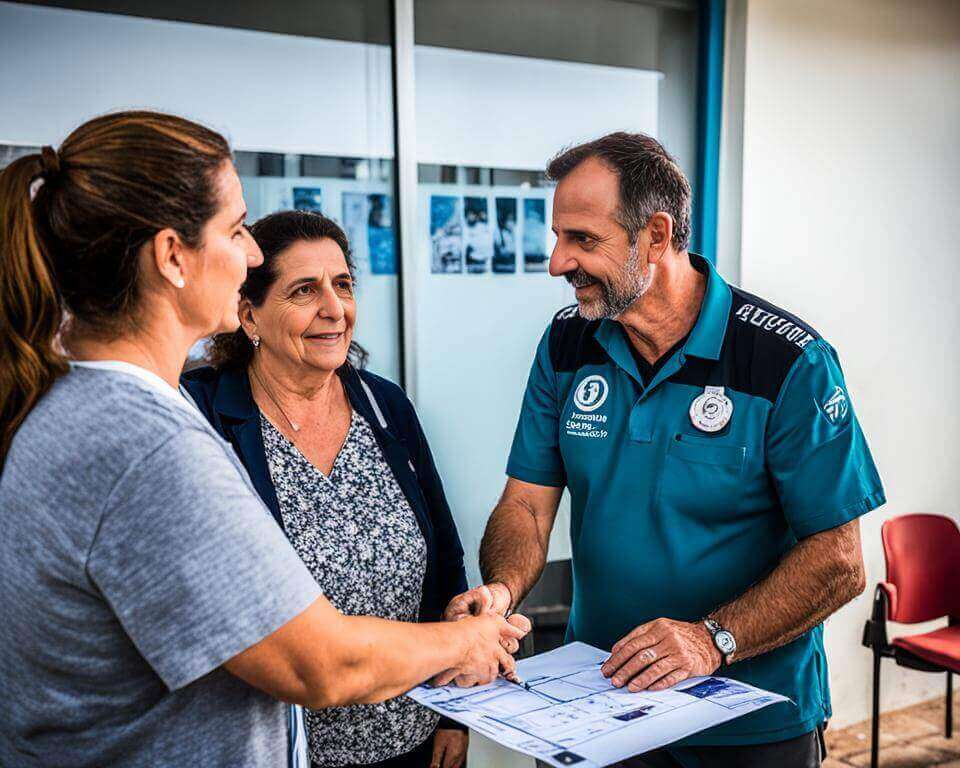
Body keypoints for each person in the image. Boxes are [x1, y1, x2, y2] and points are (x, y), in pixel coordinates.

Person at [0, 110, 526, 768]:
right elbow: (319, 665)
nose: (251, 253)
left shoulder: (70, 399)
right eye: (236, 227)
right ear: (172, 256)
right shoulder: (149, 448)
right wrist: (465, 645)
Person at [445, 132, 886, 767]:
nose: (556, 263)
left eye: (583, 241)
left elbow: (839, 560)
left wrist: (713, 641)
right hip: (596, 704)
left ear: (656, 236)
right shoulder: (569, 344)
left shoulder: (787, 361)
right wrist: (503, 591)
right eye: (558, 238)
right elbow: (527, 506)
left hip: (749, 719)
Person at [182, 210, 477, 768]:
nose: (334, 310)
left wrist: (451, 714)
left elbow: (444, 557)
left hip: (411, 736)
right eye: (304, 290)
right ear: (250, 316)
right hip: (282, 751)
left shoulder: (382, 406)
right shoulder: (206, 417)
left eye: (342, 285)